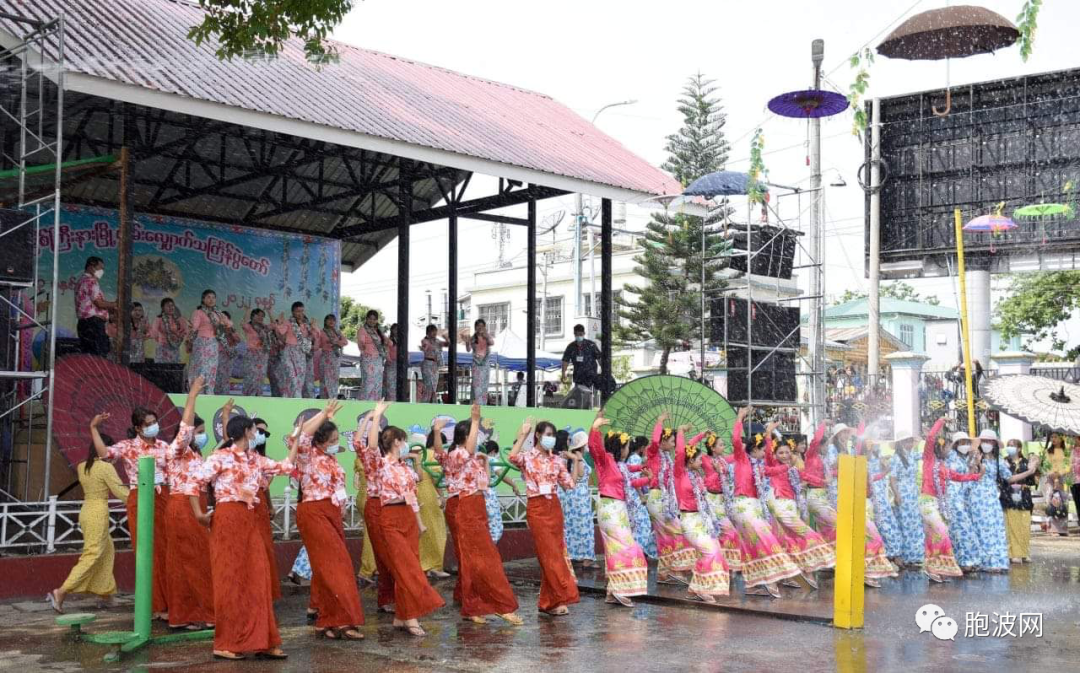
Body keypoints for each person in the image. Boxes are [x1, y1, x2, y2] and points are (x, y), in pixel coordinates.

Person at [90, 376, 202, 621]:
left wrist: (192, 398)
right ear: (139, 428)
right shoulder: (128, 446)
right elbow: (105, 454)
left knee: (168, 551)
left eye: (155, 422)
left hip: (165, 498)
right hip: (141, 499)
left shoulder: (164, 446)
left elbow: (184, 439)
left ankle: (171, 602)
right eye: (148, 424)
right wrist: (94, 429)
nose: (154, 426)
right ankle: (154, 604)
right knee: (147, 551)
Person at [191, 413, 299, 660]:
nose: (256, 435)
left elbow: (286, 467)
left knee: (258, 578)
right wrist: (198, 513)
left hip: (249, 519)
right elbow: (193, 482)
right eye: (254, 431)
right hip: (228, 518)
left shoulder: (255, 459)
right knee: (231, 580)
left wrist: (297, 438)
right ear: (246, 432)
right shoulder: (220, 457)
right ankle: (227, 642)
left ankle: (263, 639)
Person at [435, 404, 523, 625]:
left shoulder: (467, 456)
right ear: (465, 437)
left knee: (472, 560)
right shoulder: (457, 454)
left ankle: (473, 605)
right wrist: (475, 421)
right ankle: (501, 605)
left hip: (475, 505)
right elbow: (451, 452)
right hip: (466, 506)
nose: (478, 439)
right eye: (474, 434)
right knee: (484, 558)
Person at [367, 402, 446, 636]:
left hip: (408, 518)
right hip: (390, 518)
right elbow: (371, 446)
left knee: (408, 566)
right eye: (402, 441)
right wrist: (377, 417)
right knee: (406, 568)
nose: (405, 444)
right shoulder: (380, 464)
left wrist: (420, 523)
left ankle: (402, 616)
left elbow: (413, 496)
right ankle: (412, 616)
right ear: (395, 443)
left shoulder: (405, 468)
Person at [295, 400, 365, 640]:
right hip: (314, 512)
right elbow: (303, 435)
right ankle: (344, 620)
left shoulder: (331, 460)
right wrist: (324, 414)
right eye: (333, 441)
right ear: (320, 440)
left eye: (337, 441)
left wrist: (342, 509)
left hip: (333, 514)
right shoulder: (307, 456)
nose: (336, 445)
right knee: (338, 567)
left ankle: (326, 621)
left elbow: (340, 490)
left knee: (326, 569)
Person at [47, 436, 129, 613]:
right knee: (92, 554)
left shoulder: (82, 466)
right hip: (98, 512)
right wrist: (141, 497)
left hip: (86, 511)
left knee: (107, 551)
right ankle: (61, 592)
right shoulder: (105, 467)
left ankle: (105, 594)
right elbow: (121, 491)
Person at [509, 417, 580, 616]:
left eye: (553, 436)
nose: (551, 439)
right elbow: (512, 458)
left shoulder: (557, 460)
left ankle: (549, 602)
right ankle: (558, 597)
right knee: (548, 555)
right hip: (537, 508)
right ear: (538, 436)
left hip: (554, 508)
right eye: (547, 435)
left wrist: (575, 462)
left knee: (555, 553)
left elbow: (570, 485)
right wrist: (523, 434)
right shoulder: (527, 456)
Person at [728, 408, 803, 598]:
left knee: (751, 545)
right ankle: (771, 578)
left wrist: (787, 466)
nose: (766, 453)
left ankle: (752, 584)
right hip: (743, 506)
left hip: (754, 507)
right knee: (766, 537)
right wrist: (739, 417)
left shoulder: (760, 466)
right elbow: (736, 440)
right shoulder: (742, 459)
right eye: (763, 449)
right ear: (754, 449)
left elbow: (772, 471)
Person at [763, 424, 834, 587]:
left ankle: (792, 574)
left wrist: (823, 481)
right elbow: (768, 451)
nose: (785, 455)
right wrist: (768, 433)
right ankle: (816, 561)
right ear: (775, 454)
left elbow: (806, 476)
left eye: (787, 452)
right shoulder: (773, 465)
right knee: (806, 532)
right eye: (780, 452)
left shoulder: (793, 469)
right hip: (778, 504)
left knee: (788, 540)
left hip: (791, 506)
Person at [164, 406, 215, 630]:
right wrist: (193, 397)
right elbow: (184, 434)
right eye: (200, 431)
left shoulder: (195, 453)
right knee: (194, 561)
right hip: (183, 507)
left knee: (188, 562)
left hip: (195, 504)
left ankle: (186, 613)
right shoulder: (177, 450)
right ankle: (199, 613)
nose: (203, 436)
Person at [669, 425, 731, 603]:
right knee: (709, 551)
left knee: (714, 550)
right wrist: (681, 433)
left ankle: (695, 589)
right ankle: (703, 589)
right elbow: (681, 452)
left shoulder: (697, 475)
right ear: (689, 462)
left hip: (702, 519)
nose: (700, 462)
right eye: (697, 459)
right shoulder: (680, 473)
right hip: (689, 519)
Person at [918, 418, 983, 582]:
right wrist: (940, 421)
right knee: (942, 532)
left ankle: (933, 568)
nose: (949, 450)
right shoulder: (929, 459)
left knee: (934, 536)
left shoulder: (943, 466)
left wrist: (976, 476)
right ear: (940, 447)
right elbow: (931, 437)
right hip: (927, 502)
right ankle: (935, 567)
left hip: (937, 504)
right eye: (947, 447)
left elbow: (959, 477)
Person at [644, 413, 696, 584]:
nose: (674, 445)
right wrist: (659, 422)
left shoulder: (667, 457)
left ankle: (664, 573)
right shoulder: (653, 453)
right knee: (678, 531)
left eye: (675, 441)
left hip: (664, 498)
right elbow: (653, 441)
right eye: (671, 441)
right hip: (657, 497)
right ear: (663, 441)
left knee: (664, 536)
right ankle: (676, 569)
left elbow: (684, 450)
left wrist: (685, 434)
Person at [967, 430, 1011, 572]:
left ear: (994, 444)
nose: (987, 444)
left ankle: (997, 561)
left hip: (992, 497)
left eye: (990, 441)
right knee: (981, 527)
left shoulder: (998, 461)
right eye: (984, 441)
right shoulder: (974, 457)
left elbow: (1009, 478)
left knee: (995, 528)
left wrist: (1030, 471)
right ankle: (984, 562)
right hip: (977, 496)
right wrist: (977, 463)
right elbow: (969, 475)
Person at [944, 431, 986, 571]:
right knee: (960, 528)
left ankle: (966, 560)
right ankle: (964, 561)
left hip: (963, 495)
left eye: (966, 442)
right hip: (951, 495)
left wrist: (975, 462)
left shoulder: (964, 458)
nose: (965, 445)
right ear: (955, 445)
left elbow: (968, 474)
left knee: (962, 529)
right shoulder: (950, 456)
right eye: (962, 443)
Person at [250, 417, 281, 601]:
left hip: (260, 505)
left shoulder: (264, 461)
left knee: (264, 546)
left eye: (264, 433)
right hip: (243, 505)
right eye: (258, 431)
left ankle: (265, 589)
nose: (262, 435)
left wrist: (270, 506)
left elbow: (265, 487)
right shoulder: (237, 456)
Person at [890, 430, 926, 568]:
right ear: (900, 443)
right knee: (905, 524)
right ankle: (905, 556)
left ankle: (915, 556)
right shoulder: (897, 458)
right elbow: (892, 479)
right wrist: (897, 495)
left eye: (911, 441)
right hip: (903, 493)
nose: (909, 443)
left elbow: (925, 455)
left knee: (914, 524)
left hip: (912, 493)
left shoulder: (911, 455)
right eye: (906, 441)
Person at [560, 430, 595, 568]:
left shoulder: (572, 456)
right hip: (579, 496)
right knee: (585, 526)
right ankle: (586, 557)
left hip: (573, 495)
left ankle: (573, 554)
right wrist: (579, 459)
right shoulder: (578, 456)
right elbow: (580, 474)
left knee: (573, 526)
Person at [416, 431, 449, 579]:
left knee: (423, 532)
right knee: (437, 531)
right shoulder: (432, 455)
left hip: (416, 495)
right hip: (429, 494)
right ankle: (435, 566)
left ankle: (423, 564)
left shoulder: (417, 455)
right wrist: (442, 496)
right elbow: (436, 479)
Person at [188, 290, 231, 395]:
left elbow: (229, 324)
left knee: (211, 370)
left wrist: (222, 322)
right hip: (202, 343)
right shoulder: (198, 312)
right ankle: (198, 393)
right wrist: (190, 327)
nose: (211, 300)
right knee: (201, 369)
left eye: (213, 297)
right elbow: (194, 327)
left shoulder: (217, 313)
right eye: (208, 297)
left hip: (213, 344)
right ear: (203, 299)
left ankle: (209, 393)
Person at [1003, 439, 1038, 563]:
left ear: (1019, 448)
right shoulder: (1004, 462)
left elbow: (1032, 482)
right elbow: (1004, 479)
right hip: (1009, 495)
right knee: (1013, 525)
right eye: (1008, 445)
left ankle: (1024, 552)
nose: (1010, 447)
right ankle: (1014, 553)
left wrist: (1034, 470)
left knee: (1024, 525)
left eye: (1012, 446)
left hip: (1024, 496)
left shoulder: (1025, 462)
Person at [75, 256, 116, 357]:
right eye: (100, 268)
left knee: (89, 355)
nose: (102, 271)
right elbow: (99, 303)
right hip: (93, 324)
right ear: (91, 266)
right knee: (98, 355)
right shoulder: (90, 281)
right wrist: (115, 305)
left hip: (85, 324)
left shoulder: (81, 280)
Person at [482, 440, 521, 544]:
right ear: (493, 451)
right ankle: (490, 546)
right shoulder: (492, 459)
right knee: (494, 523)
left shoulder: (478, 459)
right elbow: (501, 474)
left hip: (477, 493)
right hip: (488, 494)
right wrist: (514, 485)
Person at [625, 436, 657, 559]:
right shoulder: (635, 458)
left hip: (631, 496)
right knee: (643, 525)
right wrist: (641, 495)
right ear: (642, 448)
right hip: (634, 496)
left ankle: (635, 554)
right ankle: (637, 554)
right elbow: (634, 480)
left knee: (636, 526)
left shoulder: (632, 458)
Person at [274, 302, 314, 398]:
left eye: (301, 311)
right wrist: (279, 324)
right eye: (297, 311)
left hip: (300, 353)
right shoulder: (288, 322)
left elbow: (311, 337)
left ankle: (296, 398)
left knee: (300, 377)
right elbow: (282, 336)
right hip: (289, 352)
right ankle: (292, 397)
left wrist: (312, 330)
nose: (300, 313)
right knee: (291, 376)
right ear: (293, 312)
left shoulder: (306, 325)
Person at [356, 310, 389, 401]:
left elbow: (388, 342)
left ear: (377, 321)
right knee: (368, 382)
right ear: (366, 319)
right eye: (370, 318)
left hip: (378, 360)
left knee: (377, 383)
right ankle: (365, 404)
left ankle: (374, 405)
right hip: (368, 359)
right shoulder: (362, 330)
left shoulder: (377, 331)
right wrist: (367, 346)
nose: (372, 321)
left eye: (374, 319)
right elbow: (361, 345)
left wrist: (383, 345)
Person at [561, 324, 601, 392]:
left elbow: (599, 358)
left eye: (580, 334)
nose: (579, 336)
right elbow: (565, 361)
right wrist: (563, 374)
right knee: (579, 398)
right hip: (579, 378)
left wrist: (605, 372)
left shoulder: (591, 345)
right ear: (574, 334)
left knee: (591, 399)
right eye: (577, 334)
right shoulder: (571, 347)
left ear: (584, 333)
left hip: (592, 378)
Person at [317, 314, 349, 399]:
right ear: (325, 321)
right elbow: (318, 345)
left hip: (335, 357)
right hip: (326, 357)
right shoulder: (321, 332)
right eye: (329, 319)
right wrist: (330, 342)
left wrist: (336, 342)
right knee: (325, 379)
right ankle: (324, 399)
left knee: (334, 379)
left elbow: (345, 342)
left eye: (333, 320)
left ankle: (333, 398)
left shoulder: (337, 332)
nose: (331, 321)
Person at [241, 309, 272, 396]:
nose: (260, 317)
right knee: (251, 376)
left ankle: (258, 395)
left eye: (262, 316)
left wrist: (270, 313)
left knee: (260, 376)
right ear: (252, 316)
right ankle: (248, 396)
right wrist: (247, 311)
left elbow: (274, 325)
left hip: (262, 354)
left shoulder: (264, 327)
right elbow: (243, 323)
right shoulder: (249, 326)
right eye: (258, 315)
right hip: (252, 354)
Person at [465, 319, 495, 405]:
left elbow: (492, 342)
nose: (480, 328)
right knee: (477, 386)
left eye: (482, 326)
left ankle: (483, 405)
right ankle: (478, 406)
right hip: (476, 365)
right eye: (478, 326)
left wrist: (485, 334)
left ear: (485, 327)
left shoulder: (487, 337)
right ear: (475, 327)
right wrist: (467, 342)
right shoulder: (473, 338)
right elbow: (468, 349)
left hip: (485, 365)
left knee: (484, 387)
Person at [151, 298, 188, 364]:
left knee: (173, 368)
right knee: (162, 368)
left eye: (172, 305)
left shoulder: (179, 319)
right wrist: (164, 339)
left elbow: (185, 331)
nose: (171, 308)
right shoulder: (158, 319)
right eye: (168, 306)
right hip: (163, 348)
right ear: (163, 308)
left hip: (174, 347)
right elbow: (154, 333)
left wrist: (178, 337)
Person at [418, 325, 448, 403]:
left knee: (433, 388)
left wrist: (446, 338)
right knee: (428, 386)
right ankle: (424, 404)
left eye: (435, 331)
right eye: (432, 331)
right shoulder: (425, 340)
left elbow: (447, 344)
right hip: (428, 363)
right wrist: (423, 347)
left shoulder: (437, 341)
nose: (434, 333)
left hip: (435, 366)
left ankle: (432, 404)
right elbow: (424, 347)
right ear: (428, 332)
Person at [216, 310, 241, 395]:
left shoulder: (231, 329)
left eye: (224, 317)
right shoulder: (216, 328)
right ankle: (214, 396)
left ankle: (224, 395)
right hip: (216, 355)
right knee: (216, 377)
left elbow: (238, 340)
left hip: (227, 356)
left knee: (225, 378)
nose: (222, 319)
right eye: (220, 317)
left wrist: (230, 329)